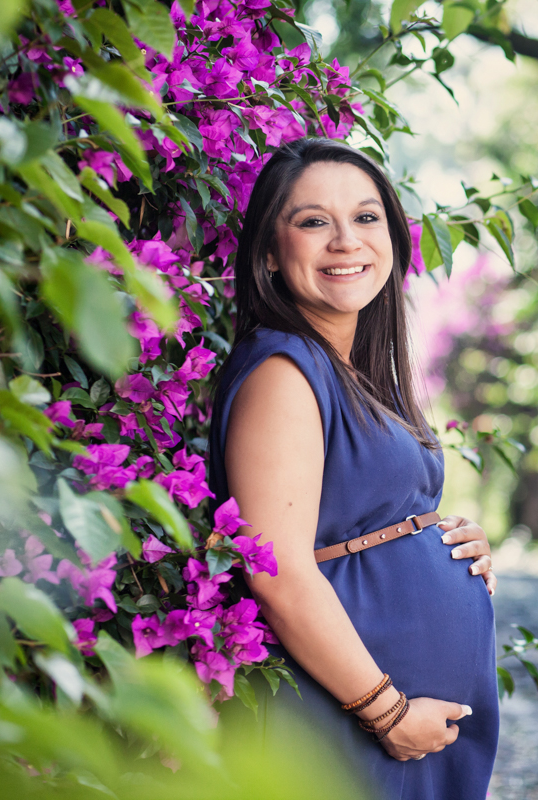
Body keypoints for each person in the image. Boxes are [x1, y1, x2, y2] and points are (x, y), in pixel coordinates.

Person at [207, 138, 499, 798]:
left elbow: (358, 517)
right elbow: (275, 570)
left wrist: (441, 539)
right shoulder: (284, 372)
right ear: (269, 255)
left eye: (366, 218)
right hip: (346, 728)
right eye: (314, 221)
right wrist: (386, 711)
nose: (347, 241)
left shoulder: (353, 372)